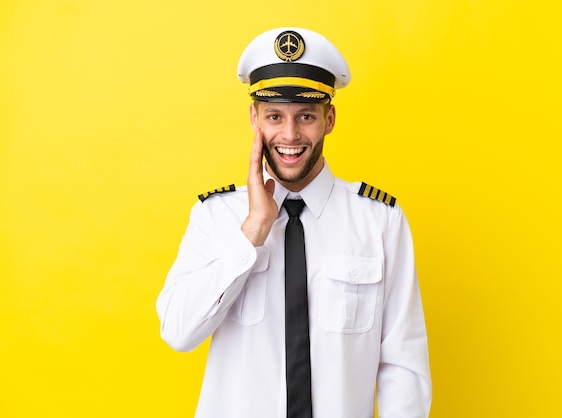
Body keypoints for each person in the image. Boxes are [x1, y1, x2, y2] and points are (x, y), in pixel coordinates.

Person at [156, 27, 432, 418]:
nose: (290, 135)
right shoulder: (216, 216)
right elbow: (178, 332)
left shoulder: (380, 220)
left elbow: (403, 364)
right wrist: (251, 231)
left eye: (305, 116)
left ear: (329, 119)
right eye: (274, 116)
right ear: (255, 118)